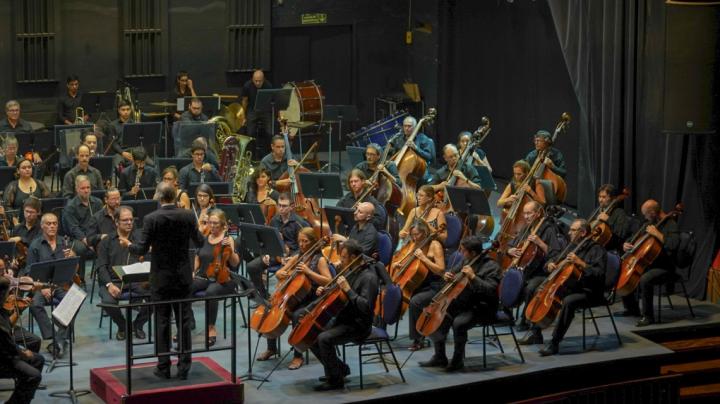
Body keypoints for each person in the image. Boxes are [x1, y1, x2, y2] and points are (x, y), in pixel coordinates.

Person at [122, 182, 204, 380]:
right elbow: (200, 241)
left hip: (161, 279)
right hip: (183, 276)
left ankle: (163, 366)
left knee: (162, 321)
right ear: (175, 196)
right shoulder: (188, 215)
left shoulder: (151, 218)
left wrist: (128, 244)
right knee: (184, 320)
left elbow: (141, 249)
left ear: (159, 196)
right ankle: (184, 368)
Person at [419, 235, 500, 370]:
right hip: (463, 303)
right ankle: (440, 357)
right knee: (437, 318)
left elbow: (490, 290)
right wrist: (447, 275)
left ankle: (457, 361)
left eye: (463, 250)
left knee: (459, 323)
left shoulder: (492, 266)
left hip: (482, 307)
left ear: (472, 252)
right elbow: (453, 273)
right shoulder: (466, 260)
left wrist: (473, 276)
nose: (460, 252)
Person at [309, 239, 378, 391]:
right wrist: (325, 291)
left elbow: (366, 308)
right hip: (344, 318)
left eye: (344, 257)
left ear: (353, 257)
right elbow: (338, 293)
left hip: (359, 325)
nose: (341, 260)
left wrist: (348, 290)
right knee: (312, 334)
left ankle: (335, 380)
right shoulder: (350, 270)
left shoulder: (369, 278)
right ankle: (338, 369)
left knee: (324, 338)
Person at [537, 219, 607, 356]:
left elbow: (599, 274)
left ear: (583, 232)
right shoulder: (572, 246)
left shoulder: (597, 249)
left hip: (591, 291)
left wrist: (580, 263)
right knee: (540, 289)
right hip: (573, 287)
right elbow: (555, 258)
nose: (569, 232)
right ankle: (535, 333)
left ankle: (554, 343)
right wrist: (550, 264)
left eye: (573, 230)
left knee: (569, 301)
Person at [511, 201, 564, 344]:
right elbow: (513, 244)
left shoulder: (548, 229)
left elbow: (556, 254)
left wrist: (540, 242)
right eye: (525, 213)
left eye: (529, 213)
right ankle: (507, 314)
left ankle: (532, 327)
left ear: (538, 213)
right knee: (508, 279)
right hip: (526, 268)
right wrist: (511, 250)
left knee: (530, 289)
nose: (526, 216)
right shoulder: (527, 228)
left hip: (541, 272)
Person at [621, 199, 680, 327]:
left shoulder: (671, 224)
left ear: (653, 212)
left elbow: (673, 245)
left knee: (645, 279)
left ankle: (648, 316)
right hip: (650, 264)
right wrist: (627, 244)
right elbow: (635, 238)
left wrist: (657, 234)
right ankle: (632, 308)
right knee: (625, 272)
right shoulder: (649, 223)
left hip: (665, 266)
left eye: (646, 214)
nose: (645, 217)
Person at [24, 213, 76, 358]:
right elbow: (29, 270)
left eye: (54, 223)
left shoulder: (64, 242)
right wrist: (42, 287)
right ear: (42, 226)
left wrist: (72, 257)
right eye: (48, 223)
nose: (52, 226)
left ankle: (58, 340)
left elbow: (72, 269)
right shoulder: (35, 245)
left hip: (61, 284)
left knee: (74, 302)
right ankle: (55, 338)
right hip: (40, 286)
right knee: (34, 304)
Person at [96, 206, 150, 341]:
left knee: (157, 295)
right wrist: (109, 285)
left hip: (136, 281)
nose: (129, 223)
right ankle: (123, 326)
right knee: (107, 302)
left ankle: (138, 324)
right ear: (116, 222)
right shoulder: (106, 241)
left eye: (131, 219)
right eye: (125, 220)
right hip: (113, 281)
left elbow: (148, 258)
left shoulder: (140, 239)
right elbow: (101, 267)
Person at [246, 193, 309, 303]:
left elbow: (304, 247)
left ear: (291, 206)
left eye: (284, 206)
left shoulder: (299, 223)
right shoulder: (274, 220)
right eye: (279, 205)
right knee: (252, 267)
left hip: (293, 257)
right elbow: (268, 241)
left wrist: (293, 257)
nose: (281, 208)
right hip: (276, 255)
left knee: (285, 276)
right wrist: (266, 254)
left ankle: (285, 301)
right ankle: (264, 296)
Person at [189, 209, 240, 347]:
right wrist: (193, 271)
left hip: (223, 279)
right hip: (204, 276)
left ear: (223, 225)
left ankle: (211, 327)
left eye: (215, 223)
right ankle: (187, 322)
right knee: (185, 287)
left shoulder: (228, 239)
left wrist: (230, 249)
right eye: (210, 222)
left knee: (211, 292)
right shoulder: (205, 237)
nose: (212, 226)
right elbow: (197, 257)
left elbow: (235, 263)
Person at [401, 221, 446, 351]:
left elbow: (441, 270)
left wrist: (424, 258)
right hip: (420, 284)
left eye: (416, 234)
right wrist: (401, 264)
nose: (414, 238)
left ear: (425, 233)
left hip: (435, 285)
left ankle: (418, 339)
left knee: (415, 302)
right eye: (412, 235)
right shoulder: (416, 244)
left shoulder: (435, 245)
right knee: (396, 293)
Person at [0, 276, 45, 404]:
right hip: (2, 359)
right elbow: (7, 345)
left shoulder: (1, 309)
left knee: (38, 359)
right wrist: (23, 354)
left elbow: (8, 327)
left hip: (5, 351)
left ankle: (22, 396)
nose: (10, 296)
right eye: (8, 292)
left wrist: (18, 310)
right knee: (33, 376)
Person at [62, 175, 103, 282]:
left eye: (88, 187)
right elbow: (74, 229)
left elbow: (102, 222)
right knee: (80, 248)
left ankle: (106, 275)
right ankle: (80, 279)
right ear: (77, 189)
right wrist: (89, 243)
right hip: (77, 238)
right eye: (83, 188)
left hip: (94, 235)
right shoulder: (70, 207)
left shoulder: (98, 202)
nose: (86, 191)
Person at [387, 115, 435, 184]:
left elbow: (430, 157)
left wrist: (416, 148)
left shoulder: (423, 139)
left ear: (415, 127)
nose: (406, 128)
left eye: (409, 126)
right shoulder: (398, 139)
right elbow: (393, 153)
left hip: (418, 172)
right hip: (401, 169)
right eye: (405, 126)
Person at [241, 69, 273, 155]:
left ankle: (269, 154)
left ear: (263, 79)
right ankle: (250, 154)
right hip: (252, 110)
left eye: (260, 81)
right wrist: (244, 116)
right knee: (250, 133)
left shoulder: (268, 85)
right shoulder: (247, 86)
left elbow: (272, 101)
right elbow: (244, 101)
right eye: (256, 81)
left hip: (265, 110)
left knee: (269, 132)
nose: (258, 83)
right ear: (252, 79)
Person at [594, 184, 630, 252]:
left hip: (611, 249)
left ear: (612, 198)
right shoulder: (597, 212)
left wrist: (608, 220)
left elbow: (621, 233)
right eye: (599, 196)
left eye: (604, 197)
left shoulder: (619, 213)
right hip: (597, 247)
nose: (600, 200)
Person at [107, 101, 135, 165]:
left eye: (128, 109)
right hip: (119, 152)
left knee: (151, 164)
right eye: (123, 110)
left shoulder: (134, 124)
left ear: (131, 110)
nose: (126, 112)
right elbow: (113, 143)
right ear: (119, 111)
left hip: (133, 151)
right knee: (118, 164)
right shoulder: (112, 125)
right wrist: (122, 152)